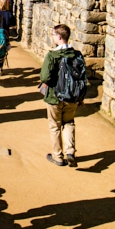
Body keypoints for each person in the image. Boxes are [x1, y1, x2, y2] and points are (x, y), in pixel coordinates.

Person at [39, 24, 88, 168]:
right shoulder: (77, 55)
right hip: (72, 96)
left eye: (54, 35)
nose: (53, 37)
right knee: (69, 122)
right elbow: (81, 77)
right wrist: (80, 97)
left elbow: (45, 77)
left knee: (54, 125)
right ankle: (70, 152)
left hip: (54, 96)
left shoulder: (52, 55)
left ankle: (58, 156)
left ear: (59, 37)